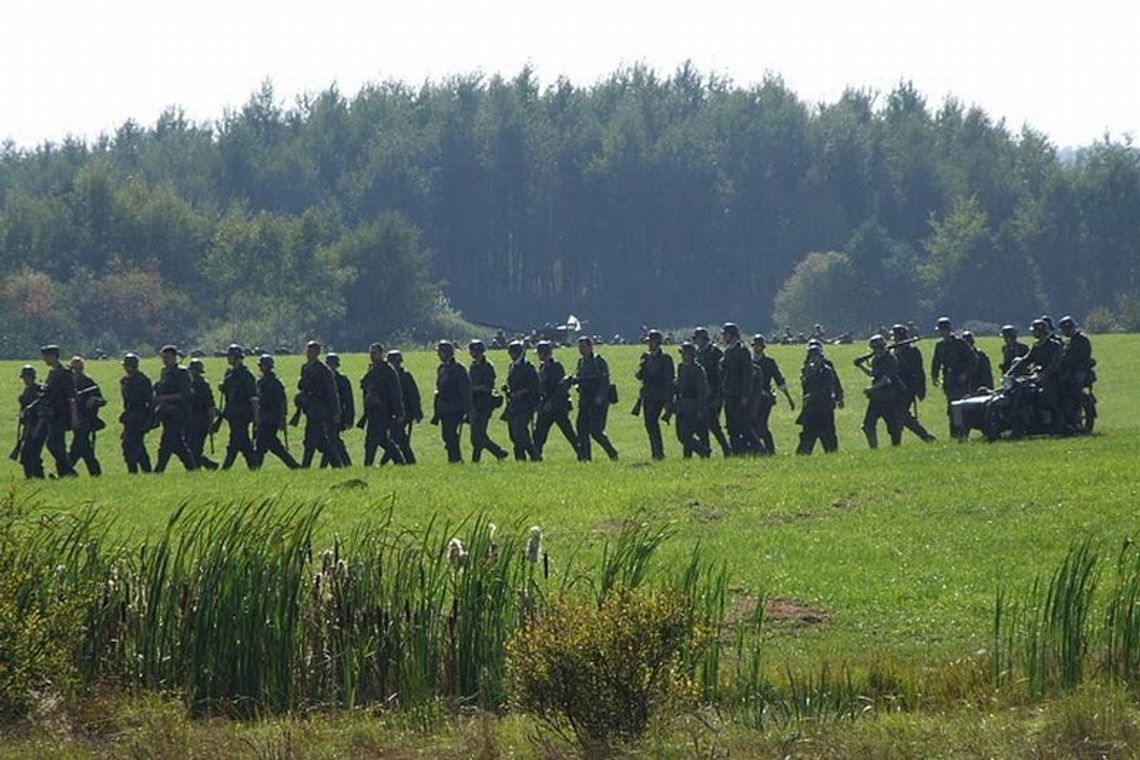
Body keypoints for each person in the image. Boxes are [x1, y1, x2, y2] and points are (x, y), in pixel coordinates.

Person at [572, 335, 619, 461]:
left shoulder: (598, 361)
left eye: (583, 347)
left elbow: (604, 381)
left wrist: (599, 397)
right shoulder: (581, 362)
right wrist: (576, 384)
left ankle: (612, 453)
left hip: (597, 401)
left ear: (590, 346)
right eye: (579, 347)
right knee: (581, 430)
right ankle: (586, 458)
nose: (581, 350)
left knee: (596, 431)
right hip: (584, 400)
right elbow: (579, 377)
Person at [296, 340, 343, 468]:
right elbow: (302, 386)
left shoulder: (323, 370)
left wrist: (336, 412)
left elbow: (332, 392)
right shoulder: (305, 368)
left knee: (313, 439)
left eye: (311, 351)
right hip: (310, 408)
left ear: (317, 353)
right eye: (308, 351)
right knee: (317, 440)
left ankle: (306, 465)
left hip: (320, 408)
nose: (308, 354)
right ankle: (336, 464)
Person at [152, 345, 198, 472]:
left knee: (166, 445)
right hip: (166, 413)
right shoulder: (164, 372)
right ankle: (193, 469)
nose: (165, 360)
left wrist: (164, 398)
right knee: (178, 445)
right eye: (163, 357)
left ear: (174, 357)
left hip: (178, 413)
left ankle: (158, 470)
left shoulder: (182, 372)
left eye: (167, 357)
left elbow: (186, 394)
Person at [930, 317, 977, 440]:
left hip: (961, 381)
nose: (942, 333)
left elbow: (973, 360)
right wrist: (934, 376)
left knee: (960, 408)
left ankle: (963, 433)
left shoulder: (960, 343)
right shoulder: (939, 345)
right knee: (951, 409)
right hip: (949, 381)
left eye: (943, 330)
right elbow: (936, 362)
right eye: (940, 330)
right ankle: (954, 435)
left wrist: (966, 374)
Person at [360, 342, 405, 466]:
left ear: (381, 354)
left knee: (378, 438)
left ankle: (398, 460)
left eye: (375, 353)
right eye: (371, 353)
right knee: (376, 439)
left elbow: (395, 393)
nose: (372, 355)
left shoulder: (387, 371)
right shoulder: (372, 370)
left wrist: (398, 412)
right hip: (372, 410)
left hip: (384, 410)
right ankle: (370, 464)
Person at [855, 335, 903, 448]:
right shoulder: (876, 359)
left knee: (893, 426)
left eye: (877, 348)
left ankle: (896, 447)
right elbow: (873, 373)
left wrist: (871, 389)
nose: (876, 350)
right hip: (876, 398)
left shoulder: (890, 359)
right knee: (867, 425)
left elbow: (886, 379)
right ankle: (874, 448)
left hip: (889, 397)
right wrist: (860, 366)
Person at [1017, 318, 1065, 433]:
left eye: (1035, 331)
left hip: (1053, 376)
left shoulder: (1054, 345)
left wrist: (1043, 375)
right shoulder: (1036, 346)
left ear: (1041, 331)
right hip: (1038, 375)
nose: (1033, 333)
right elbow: (1026, 359)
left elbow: (1054, 364)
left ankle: (1058, 424)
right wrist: (1013, 369)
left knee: (1047, 397)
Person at [720, 323, 761, 455]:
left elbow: (747, 375)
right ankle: (737, 452)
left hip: (739, 394)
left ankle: (760, 449)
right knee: (731, 426)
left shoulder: (743, 351)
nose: (723, 337)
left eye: (725, 334)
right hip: (729, 394)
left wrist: (745, 395)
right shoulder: (727, 352)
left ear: (732, 336)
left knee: (743, 426)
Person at [890, 324, 935, 443]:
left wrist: (920, 389)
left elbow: (918, 372)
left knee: (900, 414)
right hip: (896, 388)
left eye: (895, 336)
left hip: (907, 388)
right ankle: (925, 436)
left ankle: (897, 442)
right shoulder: (895, 351)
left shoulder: (912, 351)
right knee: (903, 416)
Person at [532, 341, 577, 459]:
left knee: (568, 432)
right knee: (539, 434)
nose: (538, 356)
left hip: (558, 405)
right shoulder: (542, 367)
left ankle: (581, 453)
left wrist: (551, 403)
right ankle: (537, 456)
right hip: (545, 405)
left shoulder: (556, 366)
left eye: (540, 353)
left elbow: (560, 388)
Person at [751, 334, 795, 455]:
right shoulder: (748, 361)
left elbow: (779, 380)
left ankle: (770, 451)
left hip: (765, 398)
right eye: (755, 345)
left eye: (759, 345)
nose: (756, 348)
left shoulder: (769, 362)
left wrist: (789, 398)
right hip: (751, 398)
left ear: (763, 347)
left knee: (762, 424)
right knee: (752, 424)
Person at [254, 354, 300, 469]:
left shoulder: (275, 383)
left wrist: (282, 418)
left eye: (263, 365)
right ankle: (293, 466)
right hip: (263, 416)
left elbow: (282, 402)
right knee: (270, 445)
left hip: (271, 417)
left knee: (264, 444)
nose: (261, 367)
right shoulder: (260, 382)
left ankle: (256, 467)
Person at [40, 345, 79, 477]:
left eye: (46, 356)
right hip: (52, 414)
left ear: (53, 356)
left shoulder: (64, 372)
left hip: (61, 413)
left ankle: (69, 471)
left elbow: (71, 397)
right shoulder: (53, 372)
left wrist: (74, 417)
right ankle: (64, 472)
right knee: (57, 445)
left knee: (52, 443)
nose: (44, 359)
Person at [635, 329, 674, 460]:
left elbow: (669, 380)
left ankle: (659, 452)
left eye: (652, 342)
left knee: (652, 422)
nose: (649, 344)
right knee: (648, 424)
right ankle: (655, 452)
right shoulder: (646, 358)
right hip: (647, 395)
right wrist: (641, 367)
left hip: (658, 395)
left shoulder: (665, 359)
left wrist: (668, 400)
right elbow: (639, 376)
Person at [218, 344, 259, 470]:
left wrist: (256, 415)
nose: (229, 359)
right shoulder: (230, 374)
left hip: (242, 413)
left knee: (236, 442)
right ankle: (253, 467)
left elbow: (253, 397)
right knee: (241, 442)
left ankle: (226, 468)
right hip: (233, 413)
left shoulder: (246, 375)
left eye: (231, 356)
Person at [467, 340, 509, 462]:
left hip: (484, 403)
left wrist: (472, 388)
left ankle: (497, 452)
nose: (471, 353)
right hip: (474, 403)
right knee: (477, 435)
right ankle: (481, 457)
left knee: (478, 435)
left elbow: (488, 386)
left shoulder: (487, 366)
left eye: (473, 351)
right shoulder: (473, 365)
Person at [693, 327, 732, 457]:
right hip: (702, 394)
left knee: (713, 424)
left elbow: (722, 375)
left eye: (698, 338)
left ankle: (726, 449)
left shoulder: (715, 353)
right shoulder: (697, 354)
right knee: (701, 425)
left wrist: (718, 396)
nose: (697, 341)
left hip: (715, 393)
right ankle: (706, 450)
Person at [433, 341, 473, 463]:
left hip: (455, 407)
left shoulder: (458, 369)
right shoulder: (441, 368)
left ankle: (455, 459)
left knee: (450, 434)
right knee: (446, 435)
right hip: (444, 407)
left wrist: (467, 410)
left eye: (440, 352)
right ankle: (454, 458)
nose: (439, 355)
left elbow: (465, 390)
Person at [796, 343, 840, 454]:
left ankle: (831, 453)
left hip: (824, 407)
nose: (813, 359)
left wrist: (812, 396)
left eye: (816, 356)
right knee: (807, 434)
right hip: (811, 408)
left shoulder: (827, 371)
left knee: (828, 433)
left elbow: (826, 389)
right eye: (811, 356)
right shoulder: (808, 371)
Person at [503, 340, 542, 461]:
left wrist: (522, 392)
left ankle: (534, 455)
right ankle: (520, 458)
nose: (512, 355)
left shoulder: (528, 367)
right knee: (513, 434)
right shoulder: (512, 366)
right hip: (513, 404)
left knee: (519, 430)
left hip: (525, 404)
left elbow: (535, 386)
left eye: (514, 352)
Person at [69, 356, 105, 476]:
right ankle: (95, 473)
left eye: (79, 368)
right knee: (85, 449)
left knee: (77, 445)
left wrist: (94, 399)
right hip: (74, 419)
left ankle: (66, 471)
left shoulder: (89, 382)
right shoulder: (68, 382)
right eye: (74, 368)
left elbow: (102, 400)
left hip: (86, 420)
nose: (77, 371)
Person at [673, 341, 711, 458]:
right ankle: (690, 455)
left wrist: (700, 409)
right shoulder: (681, 367)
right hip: (682, 405)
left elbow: (702, 391)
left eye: (685, 353)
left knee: (686, 434)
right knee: (681, 435)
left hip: (693, 404)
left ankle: (703, 450)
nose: (683, 355)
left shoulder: (698, 370)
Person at [384, 350, 422, 464]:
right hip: (392, 412)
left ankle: (388, 462)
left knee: (395, 438)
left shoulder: (405, 377)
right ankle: (408, 461)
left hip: (404, 413)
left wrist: (416, 412)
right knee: (398, 439)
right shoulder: (389, 376)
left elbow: (413, 396)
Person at [119, 353, 153, 474]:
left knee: (131, 445)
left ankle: (137, 470)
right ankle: (144, 470)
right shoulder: (125, 381)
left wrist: (148, 420)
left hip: (140, 416)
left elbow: (150, 402)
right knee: (135, 446)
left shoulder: (142, 380)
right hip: (130, 416)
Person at [1058, 315, 1094, 431]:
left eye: (1066, 329)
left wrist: (1065, 362)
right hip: (1070, 369)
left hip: (1080, 370)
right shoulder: (1071, 341)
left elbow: (1076, 357)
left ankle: (1077, 411)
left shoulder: (1082, 340)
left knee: (1074, 387)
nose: (1065, 332)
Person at [185, 358, 219, 470]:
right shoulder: (188, 384)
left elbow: (210, 406)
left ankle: (198, 468)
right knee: (190, 446)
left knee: (195, 448)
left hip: (200, 421)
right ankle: (208, 465)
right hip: (190, 420)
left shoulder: (202, 386)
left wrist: (210, 422)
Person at [323, 353, 354, 467]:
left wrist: (348, 418)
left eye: (333, 365)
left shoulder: (342, 380)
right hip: (325, 414)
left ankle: (344, 463)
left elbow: (348, 401)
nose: (331, 367)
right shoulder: (322, 380)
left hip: (337, 415)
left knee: (333, 439)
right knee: (330, 440)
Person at [15, 365, 47, 479]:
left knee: (32, 454)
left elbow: (43, 412)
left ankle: (39, 477)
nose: (25, 380)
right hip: (29, 426)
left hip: (38, 427)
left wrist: (37, 428)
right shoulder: (27, 391)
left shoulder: (39, 391)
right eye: (24, 377)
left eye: (27, 377)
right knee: (26, 455)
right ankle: (30, 478)